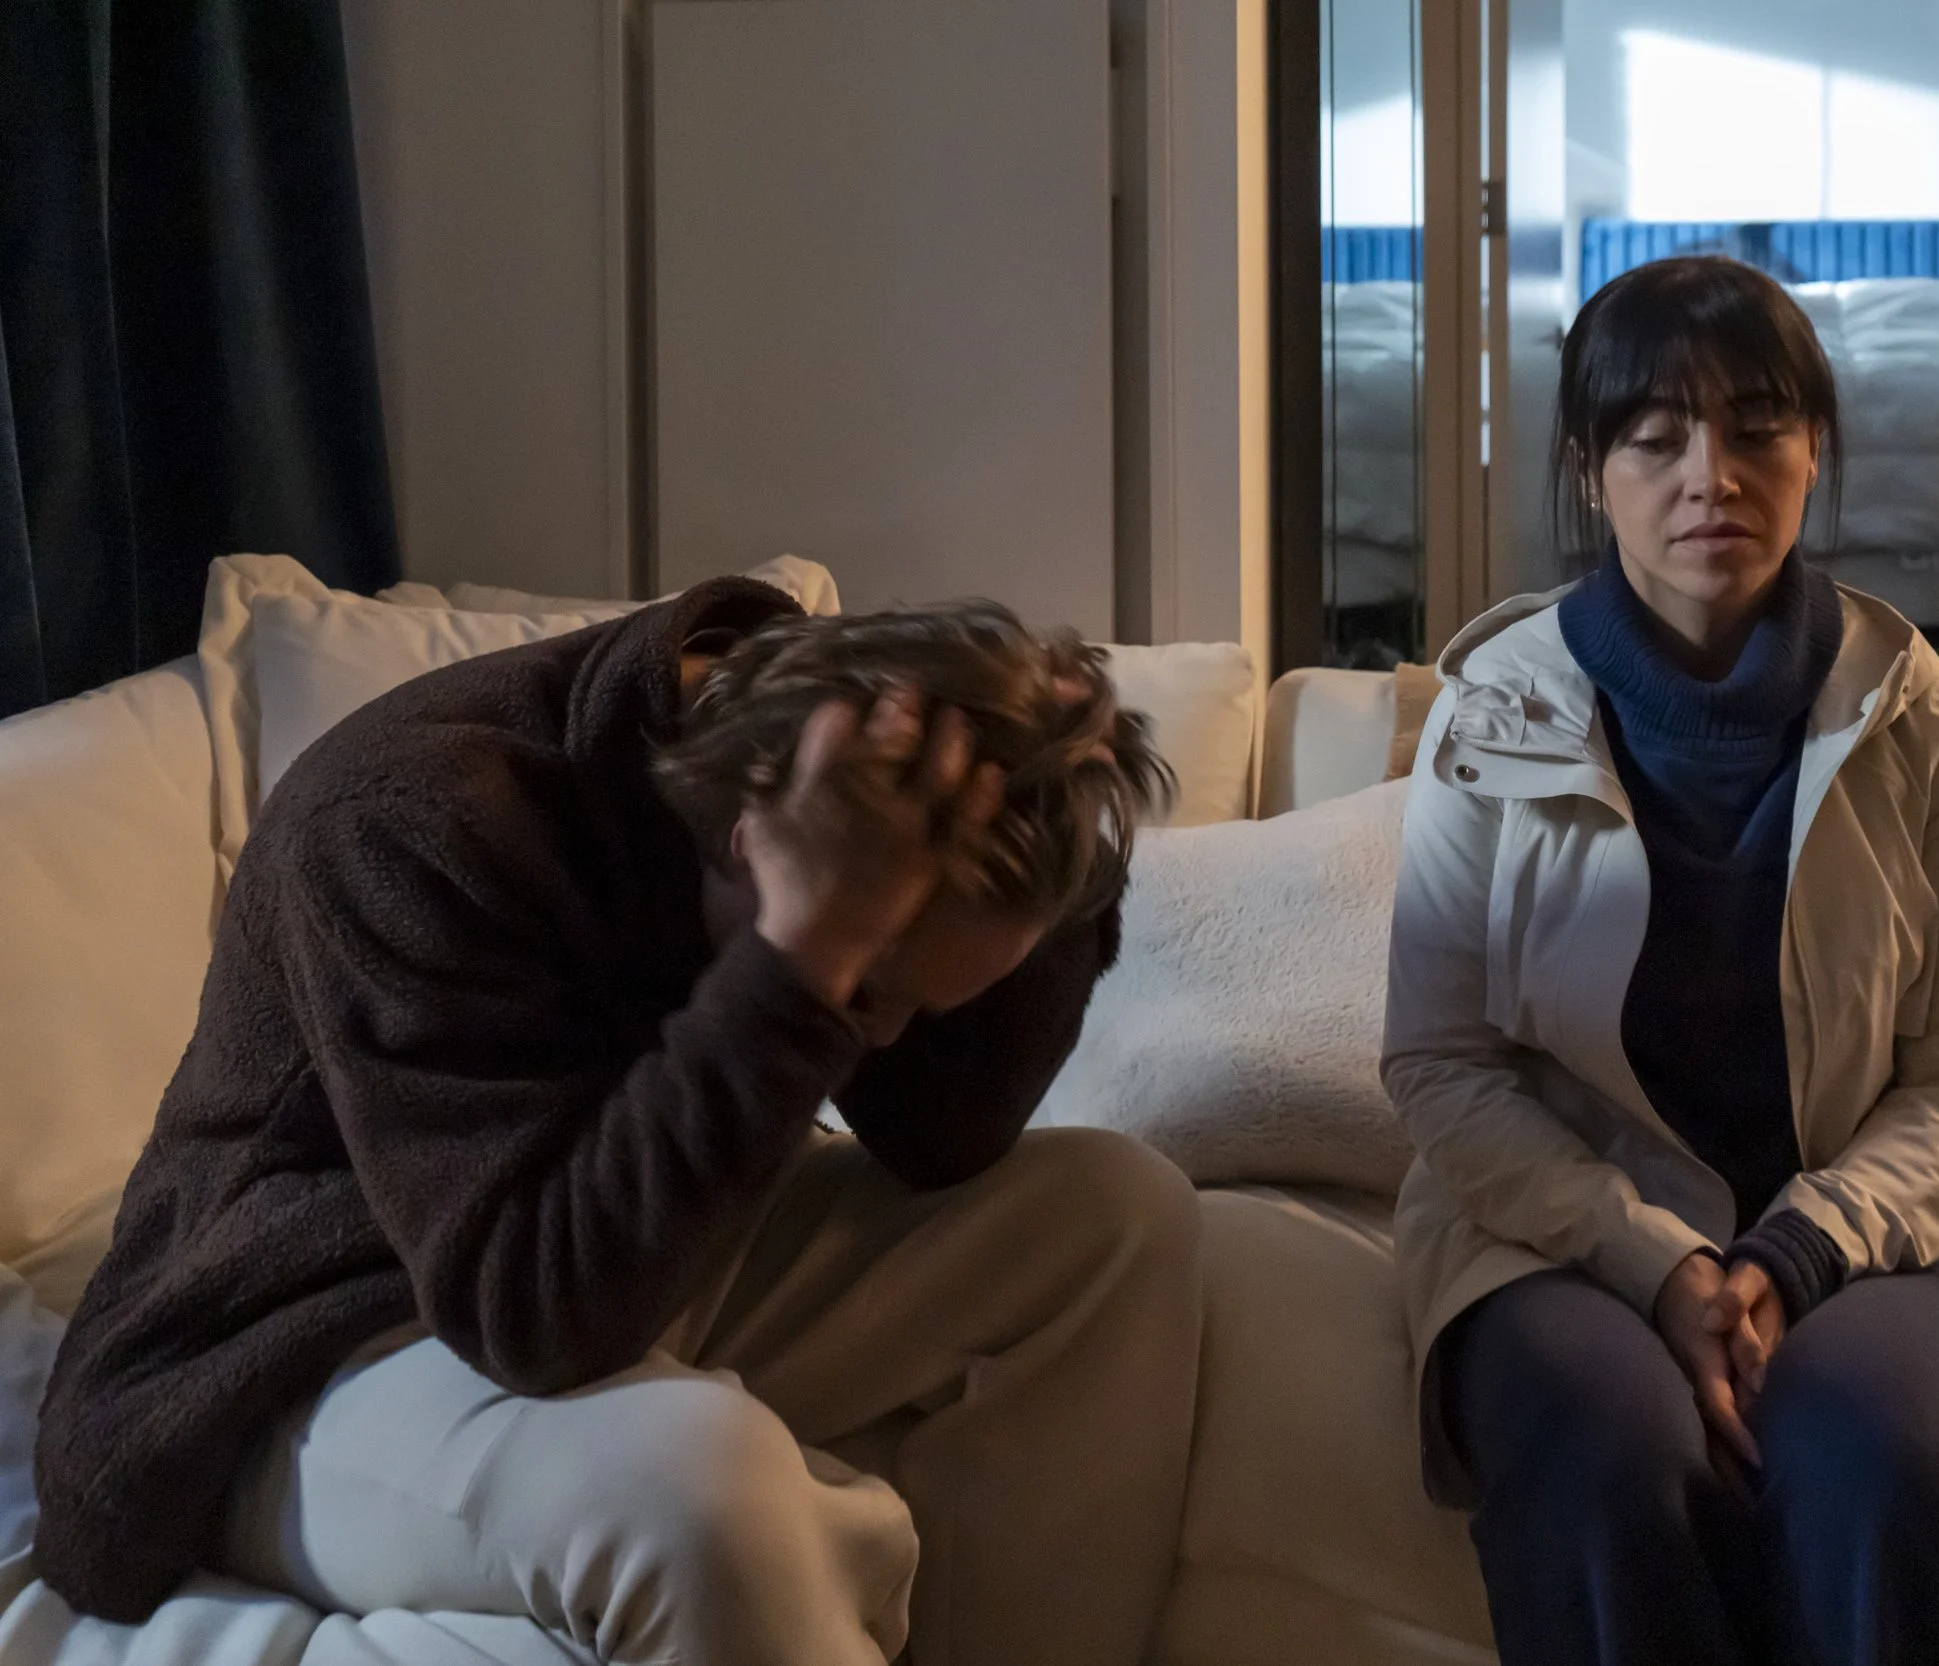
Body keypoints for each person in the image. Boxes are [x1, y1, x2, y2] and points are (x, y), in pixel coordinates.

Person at [35, 581, 1204, 1666]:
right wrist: (797, 972)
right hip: (307, 1336)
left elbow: (944, 1135)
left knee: (1117, 1215)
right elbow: (533, 1316)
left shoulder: (863, 801)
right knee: (706, 1490)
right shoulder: (415, 818)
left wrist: (1065, 861)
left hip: (613, 1250)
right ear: (757, 844)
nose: (882, 1040)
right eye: (867, 998)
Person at [1381, 256, 1939, 1666]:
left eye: (1757, 428)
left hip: (1853, 1243)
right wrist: (1653, 1261)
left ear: (1815, 449)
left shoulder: (1915, 714)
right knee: (1615, 1450)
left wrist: (1796, 1250)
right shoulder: (1495, 709)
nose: (1710, 472)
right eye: (1655, 437)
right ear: (1593, 470)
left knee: (1875, 1455)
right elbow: (1440, 1060)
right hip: (1555, 1240)